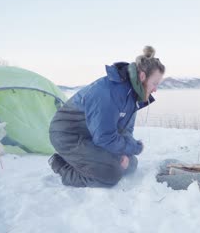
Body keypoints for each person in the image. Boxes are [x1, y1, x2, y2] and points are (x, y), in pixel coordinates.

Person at [48, 46, 165, 187]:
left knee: (130, 164)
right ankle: (61, 164)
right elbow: (104, 137)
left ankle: (82, 159)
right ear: (142, 77)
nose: (155, 89)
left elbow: (124, 131)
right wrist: (133, 148)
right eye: (154, 83)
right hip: (68, 135)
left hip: (92, 136)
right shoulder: (108, 92)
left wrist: (124, 153)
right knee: (111, 174)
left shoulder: (133, 96)